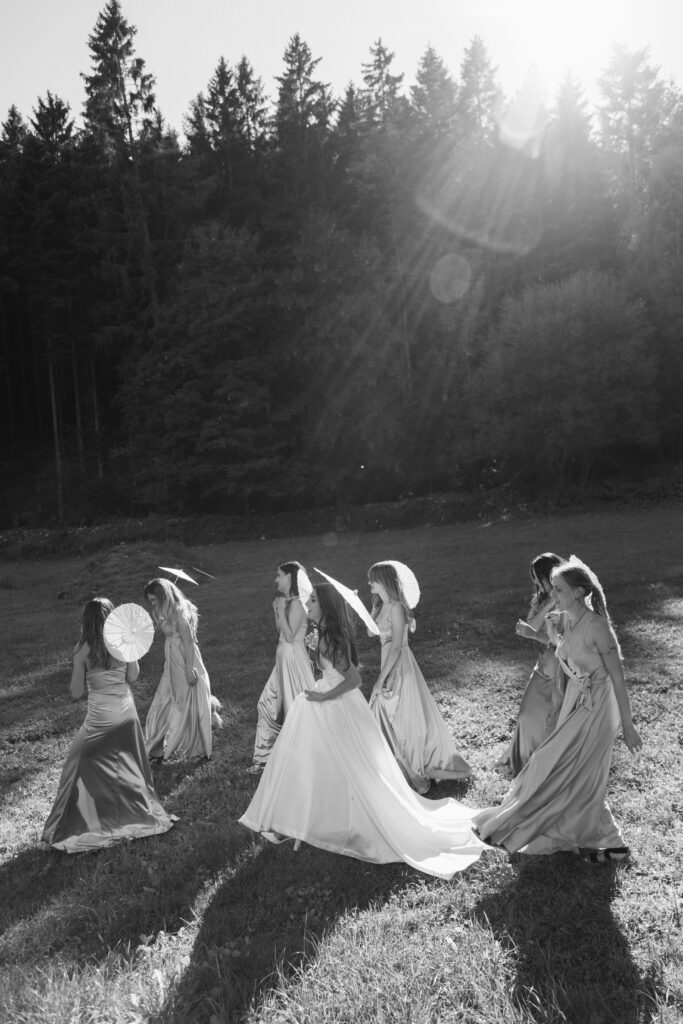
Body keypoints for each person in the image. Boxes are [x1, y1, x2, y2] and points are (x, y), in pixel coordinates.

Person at [239, 582, 485, 879]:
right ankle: (298, 818)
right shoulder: (323, 634)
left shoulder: (333, 638)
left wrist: (323, 696)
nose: (308, 605)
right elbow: (328, 668)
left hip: (337, 704)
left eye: (313, 600)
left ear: (326, 606)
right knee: (312, 759)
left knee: (354, 766)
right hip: (325, 698)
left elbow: (353, 679)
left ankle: (316, 819)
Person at [473, 557, 643, 861]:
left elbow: (618, 677)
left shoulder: (597, 626)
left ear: (579, 593)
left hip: (598, 706)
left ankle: (607, 842)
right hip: (574, 701)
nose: (554, 595)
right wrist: (557, 704)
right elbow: (543, 637)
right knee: (554, 765)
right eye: (552, 589)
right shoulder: (565, 619)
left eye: (559, 590)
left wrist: (627, 726)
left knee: (571, 770)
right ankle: (606, 841)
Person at [41, 598, 175, 853]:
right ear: (112, 618)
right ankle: (133, 814)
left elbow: (76, 692)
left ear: (86, 621)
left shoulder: (82, 650)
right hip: (126, 716)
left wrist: (79, 667)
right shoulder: (123, 641)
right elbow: (133, 677)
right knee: (129, 766)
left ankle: (82, 822)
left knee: (77, 767)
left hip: (100, 720)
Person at [367, 561, 471, 794]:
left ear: (383, 581)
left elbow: (395, 647)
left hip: (399, 665)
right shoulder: (382, 606)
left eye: (373, 579)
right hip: (388, 664)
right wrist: (368, 609)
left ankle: (415, 771)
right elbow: (370, 631)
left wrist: (380, 680)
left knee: (402, 717)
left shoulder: (397, 607)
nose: (369, 583)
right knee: (385, 713)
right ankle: (395, 768)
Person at [494, 552, 564, 777]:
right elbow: (530, 625)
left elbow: (565, 644)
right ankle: (524, 761)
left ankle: (548, 766)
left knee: (553, 721)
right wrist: (549, 602)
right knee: (526, 716)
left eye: (538, 578)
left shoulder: (570, 601)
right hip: (542, 669)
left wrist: (537, 636)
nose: (535, 583)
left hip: (562, 673)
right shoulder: (543, 600)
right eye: (533, 578)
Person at [246, 561, 315, 774]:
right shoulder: (289, 601)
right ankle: (265, 758)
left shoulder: (296, 604)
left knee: (295, 708)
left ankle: (299, 755)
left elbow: (289, 636)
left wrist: (282, 608)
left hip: (294, 660)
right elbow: (279, 629)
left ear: (289, 578)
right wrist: (278, 611)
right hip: (283, 659)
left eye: (279, 575)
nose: (276, 579)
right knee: (267, 705)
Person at [144, 578, 217, 762]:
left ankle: (196, 749)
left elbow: (189, 642)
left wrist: (189, 668)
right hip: (170, 661)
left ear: (163, 596)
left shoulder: (179, 611)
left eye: (154, 600)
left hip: (184, 659)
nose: (152, 604)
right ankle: (155, 748)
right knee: (162, 700)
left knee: (186, 702)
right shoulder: (161, 611)